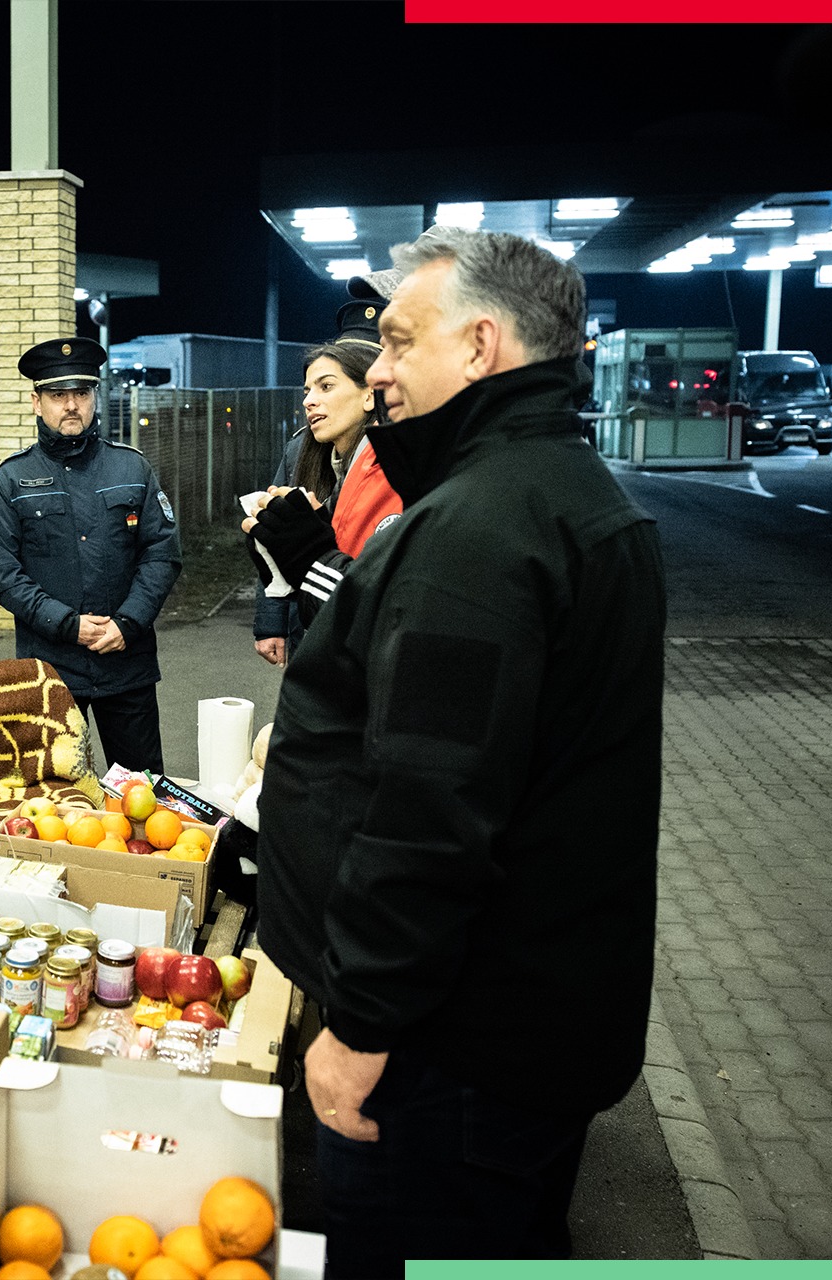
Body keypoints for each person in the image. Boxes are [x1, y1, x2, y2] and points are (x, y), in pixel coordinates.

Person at [252, 228, 666, 1275]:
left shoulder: (479, 527)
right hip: (525, 1029)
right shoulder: (558, 489)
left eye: (397, 340)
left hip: (450, 1060)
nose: (376, 369)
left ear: (481, 345)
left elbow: (431, 811)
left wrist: (360, 1029)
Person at [0, 337, 182, 775]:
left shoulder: (132, 468)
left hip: (126, 665)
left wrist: (128, 623)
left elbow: (162, 553)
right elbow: (1, 573)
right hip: (50, 672)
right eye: (57, 395)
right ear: (37, 403)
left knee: (143, 795)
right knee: (50, 803)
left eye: (81, 393)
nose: (71, 405)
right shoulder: (9, 480)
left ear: (94, 397)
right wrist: (68, 626)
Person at [250, 283, 404, 667]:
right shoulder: (303, 447)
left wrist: (309, 550)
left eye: (327, 386)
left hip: (353, 641)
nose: (308, 400)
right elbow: (293, 546)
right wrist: (272, 616)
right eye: (307, 389)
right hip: (316, 623)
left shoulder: (398, 461)